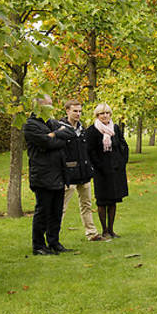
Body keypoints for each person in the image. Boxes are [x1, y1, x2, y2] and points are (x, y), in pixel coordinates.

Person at [23, 95, 76, 255]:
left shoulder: (51, 122)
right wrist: (55, 137)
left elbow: (70, 134)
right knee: (43, 211)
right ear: (39, 106)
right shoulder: (30, 125)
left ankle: (54, 242)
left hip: (58, 174)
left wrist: (54, 135)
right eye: (49, 104)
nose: (52, 108)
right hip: (42, 175)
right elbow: (45, 142)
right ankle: (38, 245)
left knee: (56, 211)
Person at [60, 99, 104, 241]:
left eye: (80, 111)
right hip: (69, 175)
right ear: (67, 111)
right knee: (61, 207)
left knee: (87, 205)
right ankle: (53, 236)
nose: (78, 114)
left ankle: (91, 233)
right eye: (75, 111)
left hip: (84, 174)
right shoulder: (60, 128)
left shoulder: (82, 129)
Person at [85, 103, 129, 239]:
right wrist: (99, 166)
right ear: (97, 115)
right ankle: (104, 230)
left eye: (107, 113)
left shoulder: (115, 128)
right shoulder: (92, 130)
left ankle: (111, 229)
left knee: (113, 201)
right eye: (102, 114)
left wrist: (122, 161)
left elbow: (123, 145)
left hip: (115, 169)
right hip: (101, 171)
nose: (105, 116)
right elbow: (90, 151)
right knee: (102, 201)